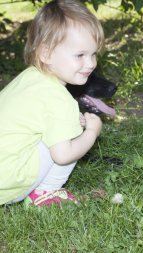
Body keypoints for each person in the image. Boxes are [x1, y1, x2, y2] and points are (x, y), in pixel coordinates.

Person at [0, 0, 105, 206]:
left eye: (93, 54)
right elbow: (63, 155)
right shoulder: (59, 99)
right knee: (70, 129)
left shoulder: (29, 78)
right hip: (7, 182)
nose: (91, 63)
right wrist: (91, 132)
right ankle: (45, 194)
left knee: (65, 123)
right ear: (46, 53)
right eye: (80, 55)